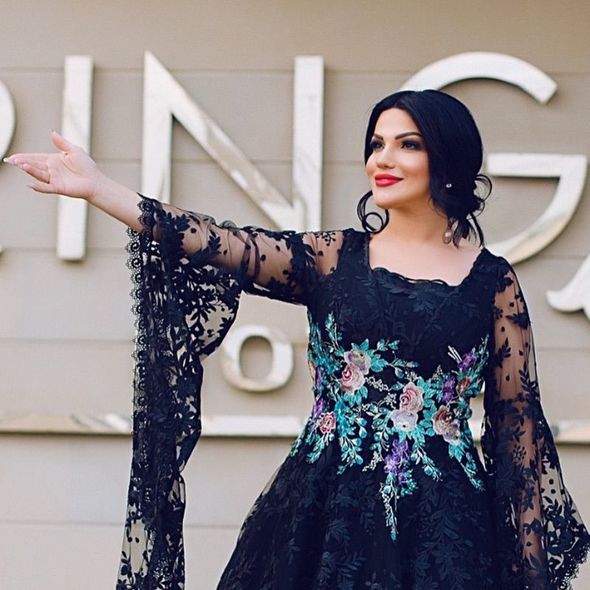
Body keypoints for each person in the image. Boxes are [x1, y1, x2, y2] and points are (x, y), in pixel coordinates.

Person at [5, 89, 590, 589]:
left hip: (447, 530)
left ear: (450, 158)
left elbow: (517, 429)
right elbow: (217, 241)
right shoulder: (332, 260)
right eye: (376, 144)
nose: (382, 159)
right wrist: (100, 188)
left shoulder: (493, 283)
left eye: (407, 144)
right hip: (320, 513)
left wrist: (529, 571)